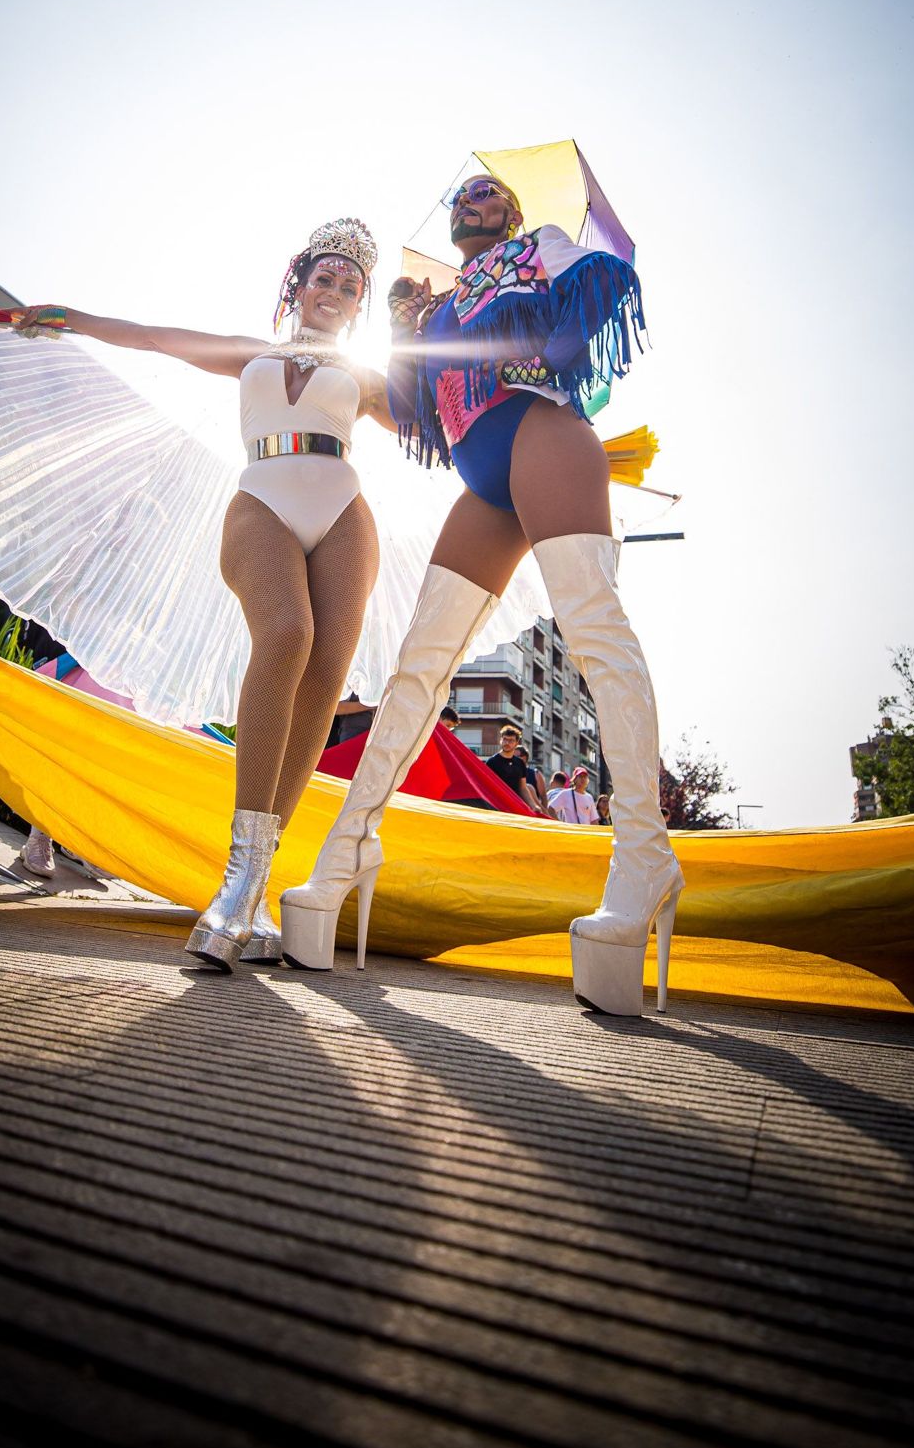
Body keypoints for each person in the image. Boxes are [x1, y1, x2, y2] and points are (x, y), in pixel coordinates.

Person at [281, 169, 682, 1015]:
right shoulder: (443, 303)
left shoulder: (541, 252)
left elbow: (584, 321)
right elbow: (419, 420)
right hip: (483, 480)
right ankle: (347, 850)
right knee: (417, 668)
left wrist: (508, 295)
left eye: (489, 192)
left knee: (594, 630)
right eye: (461, 194)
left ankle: (644, 857)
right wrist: (404, 329)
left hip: (545, 433)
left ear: (514, 214)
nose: (471, 199)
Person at [17, 217, 393, 971]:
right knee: (286, 633)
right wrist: (74, 319)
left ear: (359, 307)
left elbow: (445, 429)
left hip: (345, 513)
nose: (336, 291)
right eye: (325, 277)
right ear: (300, 284)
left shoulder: (372, 377)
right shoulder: (250, 353)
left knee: (325, 678)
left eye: (350, 287)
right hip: (262, 499)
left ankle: (252, 890)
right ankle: (236, 875)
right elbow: (155, 336)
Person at [485, 724, 543, 815]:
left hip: (515, 807)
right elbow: (486, 787)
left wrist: (533, 805)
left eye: (511, 740)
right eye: (505, 739)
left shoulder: (520, 763)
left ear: (516, 743)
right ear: (501, 740)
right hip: (497, 808)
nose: (507, 743)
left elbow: (523, 788)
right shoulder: (492, 762)